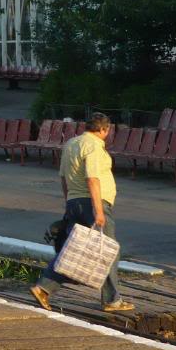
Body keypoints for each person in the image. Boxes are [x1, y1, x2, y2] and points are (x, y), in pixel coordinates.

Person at [30, 113, 135, 313]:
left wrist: (68, 203)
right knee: (108, 251)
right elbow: (92, 179)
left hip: (74, 202)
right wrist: (98, 211)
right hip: (93, 204)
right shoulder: (94, 146)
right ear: (105, 129)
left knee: (74, 251)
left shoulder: (71, 144)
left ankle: (43, 287)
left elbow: (63, 177)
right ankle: (112, 300)